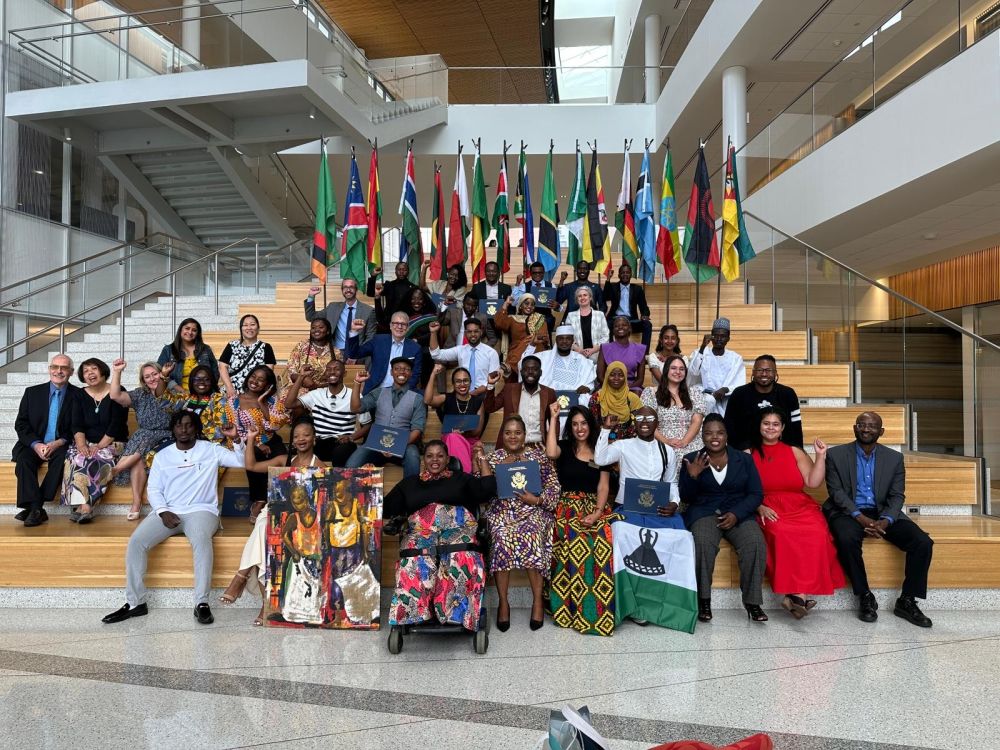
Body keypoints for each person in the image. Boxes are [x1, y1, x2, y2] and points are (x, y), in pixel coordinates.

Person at [102, 411, 245, 625]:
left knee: (201, 540)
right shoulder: (163, 456)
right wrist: (162, 510)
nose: (184, 430)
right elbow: (154, 489)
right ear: (173, 430)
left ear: (196, 428)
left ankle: (201, 603)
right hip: (167, 510)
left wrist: (235, 440)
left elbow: (241, 462)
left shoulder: (211, 450)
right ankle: (135, 603)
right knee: (136, 542)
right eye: (179, 426)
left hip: (201, 510)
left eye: (188, 425)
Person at [824, 411, 934, 627]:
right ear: (854, 428)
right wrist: (860, 517)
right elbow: (836, 492)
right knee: (846, 538)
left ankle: (907, 600)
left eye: (872, 426)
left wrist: (886, 520)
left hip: (883, 511)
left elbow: (897, 495)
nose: (866, 429)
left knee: (923, 542)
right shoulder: (836, 454)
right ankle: (864, 596)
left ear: (881, 431)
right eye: (861, 425)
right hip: (847, 511)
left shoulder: (894, 458)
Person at [219, 419, 328, 626]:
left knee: (262, 531)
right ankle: (262, 602)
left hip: (299, 520)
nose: (300, 439)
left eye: (305, 435)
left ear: (314, 438)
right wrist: (250, 439)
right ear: (292, 441)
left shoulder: (320, 467)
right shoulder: (283, 460)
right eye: (296, 436)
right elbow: (250, 465)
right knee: (263, 527)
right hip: (274, 511)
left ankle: (241, 578)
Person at [384, 440, 497, 631]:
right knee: (414, 556)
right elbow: (386, 507)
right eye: (429, 456)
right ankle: (415, 612)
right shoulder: (410, 483)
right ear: (423, 460)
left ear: (447, 459)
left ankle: (455, 613)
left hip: (458, 528)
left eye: (440, 455)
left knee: (461, 554)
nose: (434, 460)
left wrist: (482, 457)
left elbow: (487, 490)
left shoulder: (462, 478)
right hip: (421, 530)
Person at [750, 407, 844, 618]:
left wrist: (820, 456)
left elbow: (813, 481)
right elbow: (741, 489)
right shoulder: (748, 454)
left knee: (817, 532)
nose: (770, 428)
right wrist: (758, 506)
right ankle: (797, 597)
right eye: (766, 424)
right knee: (781, 532)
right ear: (759, 427)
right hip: (766, 506)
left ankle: (796, 597)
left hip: (799, 505)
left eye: (775, 424)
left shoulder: (794, 451)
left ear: (782, 428)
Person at [680, 415, 768, 623]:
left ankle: (752, 602)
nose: (714, 437)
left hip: (738, 512)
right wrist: (693, 475)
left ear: (726, 435)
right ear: (702, 436)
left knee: (755, 542)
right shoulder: (692, 458)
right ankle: (703, 600)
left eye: (719, 432)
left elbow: (756, 494)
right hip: (704, 512)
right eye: (709, 433)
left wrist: (737, 514)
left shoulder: (744, 459)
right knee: (701, 542)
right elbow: (686, 498)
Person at [482, 415, 560, 631]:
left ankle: (536, 601)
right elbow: (483, 490)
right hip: (502, 512)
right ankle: (503, 602)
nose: (513, 437)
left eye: (517, 432)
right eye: (508, 432)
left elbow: (554, 488)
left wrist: (537, 500)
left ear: (525, 436)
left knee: (533, 533)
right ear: (502, 436)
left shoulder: (539, 458)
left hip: (533, 510)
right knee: (500, 535)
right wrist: (480, 460)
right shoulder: (493, 458)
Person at [546, 404, 614, 635]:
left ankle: (595, 613)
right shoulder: (564, 448)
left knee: (602, 541)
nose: (579, 428)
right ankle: (568, 610)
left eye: (583, 423)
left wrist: (596, 512)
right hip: (566, 508)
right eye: (574, 424)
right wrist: (554, 417)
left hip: (594, 506)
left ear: (590, 425)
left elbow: (603, 485)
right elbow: (549, 453)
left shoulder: (601, 450)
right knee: (574, 540)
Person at [203, 365, 289, 505]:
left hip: (271, 440)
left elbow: (275, 426)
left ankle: (282, 502)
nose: (255, 381)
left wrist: (261, 402)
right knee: (252, 456)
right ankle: (259, 500)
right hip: (247, 442)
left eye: (261, 379)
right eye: (253, 377)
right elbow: (235, 431)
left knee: (284, 460)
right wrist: (256, 443)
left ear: (267, 385)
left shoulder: (273, 401)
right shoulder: (233, 402)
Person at [12, 353, 81, 527]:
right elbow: (21, 424)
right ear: (49, 370)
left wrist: (58, 442)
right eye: (55, 367)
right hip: (34, 443)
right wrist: (36, 445)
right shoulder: (32, 393)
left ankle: (35, 507)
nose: (59, 371)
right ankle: (37, 508)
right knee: (24, 461)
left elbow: (79, 425)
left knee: (62, 459)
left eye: (64, 368)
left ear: (71, 372)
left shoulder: (79, 395)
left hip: (62, 444)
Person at [60, 358, 128, 524]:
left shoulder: (117, 390)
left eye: (94, 369)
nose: (90, 373)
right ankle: (80, 503)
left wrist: (98, 446)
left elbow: (116, 425)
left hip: (113, 442)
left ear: (103, 371)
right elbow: (76, 424)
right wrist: (82, 445)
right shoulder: (79, 395)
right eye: (86, 371)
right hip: (86, 442)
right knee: (76, 456)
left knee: (97, 458)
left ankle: (86, 507)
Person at [110, 359, 178, 521]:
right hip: (144, 440)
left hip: (167, 437)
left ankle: (115, 470)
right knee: (139, 458)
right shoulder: (140, 394)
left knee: (143, 435)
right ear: (143, 380)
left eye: (155, 374)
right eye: (147, 376)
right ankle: (137, 502)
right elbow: (115, 395)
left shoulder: (173, 393)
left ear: (162, 374)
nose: (152, 378)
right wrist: (117, 372)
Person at [347, 357, 426, 478]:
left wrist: (396, 446)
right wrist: (357, 383)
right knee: (352, 464)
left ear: (410, 373)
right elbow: (355, 408)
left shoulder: (418, 399)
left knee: (413, 456)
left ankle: (410, 492)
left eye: (406, 369)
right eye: (397, 369)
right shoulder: (379, 392)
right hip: (375, 443)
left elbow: (416, 430)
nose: (402, 372)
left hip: (404, 445)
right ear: (391, 372)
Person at [284, 359, 365, 466]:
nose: (332, 372)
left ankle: (336, 481)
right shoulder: (316, 394)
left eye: (336, 369)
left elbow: (367, 425)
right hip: (320, 441)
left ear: (344, 373)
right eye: (329, 369)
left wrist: (351, 437)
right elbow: (289, 404)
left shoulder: (355, 396)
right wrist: (301, 377)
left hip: (343, 442)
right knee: (296, 452)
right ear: (325, 373)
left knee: (341, 452)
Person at [641, 354, 706, 480]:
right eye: (673, 368)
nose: (678, 372)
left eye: (681, 369)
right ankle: (669, 496)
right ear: (666, 371)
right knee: (670, 454)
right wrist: (667, 441)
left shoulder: (694, 393)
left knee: (693, 456)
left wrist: (684, 442)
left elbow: (697, 421)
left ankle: (686, 495)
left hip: (691, 440)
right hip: (660, 439)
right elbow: (648, 423)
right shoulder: (651, 393)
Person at [725, 355, 803, 450]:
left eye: (769, 370)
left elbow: (796, 428)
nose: (764, 374)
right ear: (753, 373)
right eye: (759, 370)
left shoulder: (788, 394)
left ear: (775, 373)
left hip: (781, 451)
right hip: (746, 453)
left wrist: (798, 451)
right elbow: (729, 427)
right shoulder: (739, 394)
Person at [483, 356, 556, 449]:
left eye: (534, 369)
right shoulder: (509, 389)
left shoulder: (549, 393)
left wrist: (554, 444)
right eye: (526, 369)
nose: (530, 372)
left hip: (539, 447)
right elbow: (490, 407)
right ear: (521, 372)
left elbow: (554, 421)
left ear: (541, 372)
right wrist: (491, 384)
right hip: (511, 446)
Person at [425, 364, 486, 472]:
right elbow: (427, 401)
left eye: (465, 380)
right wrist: (433, 374)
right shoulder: (446, 398)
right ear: (453, 384)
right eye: (458, 381)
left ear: (470, 382)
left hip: (470, 440)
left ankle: (462, 477)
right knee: (453, 437)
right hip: (450, 440)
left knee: (470, 444)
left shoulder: (477, 402)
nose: (462, 384)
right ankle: (464, 476)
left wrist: (461, 433)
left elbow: (477, 432)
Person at [345, 311, 422, 395]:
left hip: (402, 392)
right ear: (390, 326)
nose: (399, 327)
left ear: (408, 328)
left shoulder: (415, 348)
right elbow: (354, 354)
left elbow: (415, 375)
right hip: (376, 390)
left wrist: (403, 393)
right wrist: (354, 331)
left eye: (403, 324)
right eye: (396, 323)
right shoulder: (378, 340)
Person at [687, 318, 744, 416]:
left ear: (728, 338)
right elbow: (693, 372)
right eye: (716, 335)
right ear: (711, 336)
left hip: (726, 400)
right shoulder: (700, 352)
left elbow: (739, 383)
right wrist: (702, 347)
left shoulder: (736, 358)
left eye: (723, 336)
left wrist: (725, 389)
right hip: (704, 399)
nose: (719, 339)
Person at [428, 317, 500, 393]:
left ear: (481, 332)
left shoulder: (491, 353)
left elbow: (494, 379)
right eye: (469, 332)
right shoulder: (460, 350)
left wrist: (479, 391)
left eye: (476, 331)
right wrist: (433, 333)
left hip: (483, 393)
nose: (473, 334)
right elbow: (436, 354)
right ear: (465, 333)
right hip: (462, 393)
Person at [304, 278, 376, 351]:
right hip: (335, 352)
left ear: (356, 289)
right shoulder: (332, 307)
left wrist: (357, 354)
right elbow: (311, 317)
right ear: (342, 290)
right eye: (345, 287)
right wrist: (311, 296)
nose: (348, 290)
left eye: (351, 287)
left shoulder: (368, 311)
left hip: (358, 352)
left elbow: (371, 337)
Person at [494, 293, 550, 380]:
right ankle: (511, 367)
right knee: (525, 343)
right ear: (520, 305)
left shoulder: (539, 319)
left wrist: (533, 339)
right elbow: (499, 323)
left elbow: (543, 337)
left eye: (532, 304)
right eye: (526, 303)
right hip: (516, 350)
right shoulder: (513, 319)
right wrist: (506, 304)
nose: (529, 306)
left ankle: (510, 367)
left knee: (531, 342)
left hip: (536, 350)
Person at [218, 314, 277, 396]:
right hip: (230, 392)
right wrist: (229, 388)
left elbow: (268, 373)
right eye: (245, 325)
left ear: (258, 328)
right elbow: (222, 367)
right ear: (241, 329)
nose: (249, 328)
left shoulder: (266, 347)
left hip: (254, 393)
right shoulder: (232, 345)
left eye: (252, 324)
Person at [533, 325, 597, 398]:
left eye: (568, 339)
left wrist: (587, 387)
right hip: (548, 397)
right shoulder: (545, 357)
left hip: (574, 399)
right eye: (561, 338)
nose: (564, 341)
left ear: (572, 341)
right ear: (556, 340)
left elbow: (589, 380)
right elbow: (523, 363)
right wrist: (532, 345)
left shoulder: (581, 360)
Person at [157, 318, 219, 388]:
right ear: (181, 330)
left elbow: (215, 371)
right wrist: (175, 387)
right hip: (176, 395)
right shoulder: (168, 350)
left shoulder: (205, 349)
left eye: (194, 330)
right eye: (187, 328)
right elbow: (159, 373)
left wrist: (208, 389)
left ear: (197, 334)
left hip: (202, 394)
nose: (190, 332)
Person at [602, 264, 652, 350]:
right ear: (618, 275)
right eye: (623, 273)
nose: (625, 275)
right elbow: (606, 297)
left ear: (631, 275)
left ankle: (644, 352)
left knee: (647, 325)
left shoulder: (637, 289)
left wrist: (645, 315)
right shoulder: (613, 287)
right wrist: (608, 279)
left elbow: (644, 307)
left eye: (627, 273)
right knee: (606, 324)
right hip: (615, 319)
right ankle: (609, 351)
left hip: (631, 320)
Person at [282, 317, 338, 392]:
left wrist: (317, 386)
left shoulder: (336, 352)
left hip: (324, 391)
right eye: (313, 328)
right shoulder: (301, 346)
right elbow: (291, 372)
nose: (316, 330)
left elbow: (337, 377)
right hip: (298, 388)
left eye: (321, 327)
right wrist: (303, 378)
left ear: (327, 331)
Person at [590, 362, 642, 441]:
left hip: (626, 444)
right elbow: (592, 424)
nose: (616, 378)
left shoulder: (632, 398)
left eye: (621, 375)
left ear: (625, 377)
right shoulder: (597, 397)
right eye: (612, 374)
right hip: (601, 441)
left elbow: (638, 424)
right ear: (607, 376)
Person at [597, 315, 647, 394]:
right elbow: (600, 376)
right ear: (613, 330)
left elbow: (640, 379)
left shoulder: (640, 349)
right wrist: (613, 387)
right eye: (616, 326)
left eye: (624, 325)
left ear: (629, 328)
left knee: (637, 392)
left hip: (630, 386)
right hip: (609, 385)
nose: (620, 327)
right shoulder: (605, 348)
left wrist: (626, 388)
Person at [367, 261, 418, 329]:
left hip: (406, 324)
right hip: (388, 323)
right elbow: (370, 293)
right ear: (395, 271)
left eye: (404, 270)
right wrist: (373, 276)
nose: (401, 272)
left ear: (408, 272)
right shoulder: (389, 285)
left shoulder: (413, 288)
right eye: (399, 269)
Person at [566, 286, 609, 364]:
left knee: (593, 360)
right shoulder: (570, 316)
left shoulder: (600, 315)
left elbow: (606, 336)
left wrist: (593, 350)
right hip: (577, 352)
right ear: (577, 299)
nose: (582, 297)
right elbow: (568, 338)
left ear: (590, 298)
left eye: (585, 295)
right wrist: (579, 350)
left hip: (596, 352)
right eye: (579, 296)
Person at [512, 261, 557, 332]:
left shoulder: (551, 286)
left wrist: (557, 306)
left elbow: (558, 307)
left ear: (543, 272)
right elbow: (514, 303)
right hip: (528, 316)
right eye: (534, 273)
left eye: (540, 272)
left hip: (546, 318)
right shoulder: (524, 286)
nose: (537, 275)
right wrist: (517, 284)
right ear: (530, 273)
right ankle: (532, 340)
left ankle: (542, 340)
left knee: (548, 321)